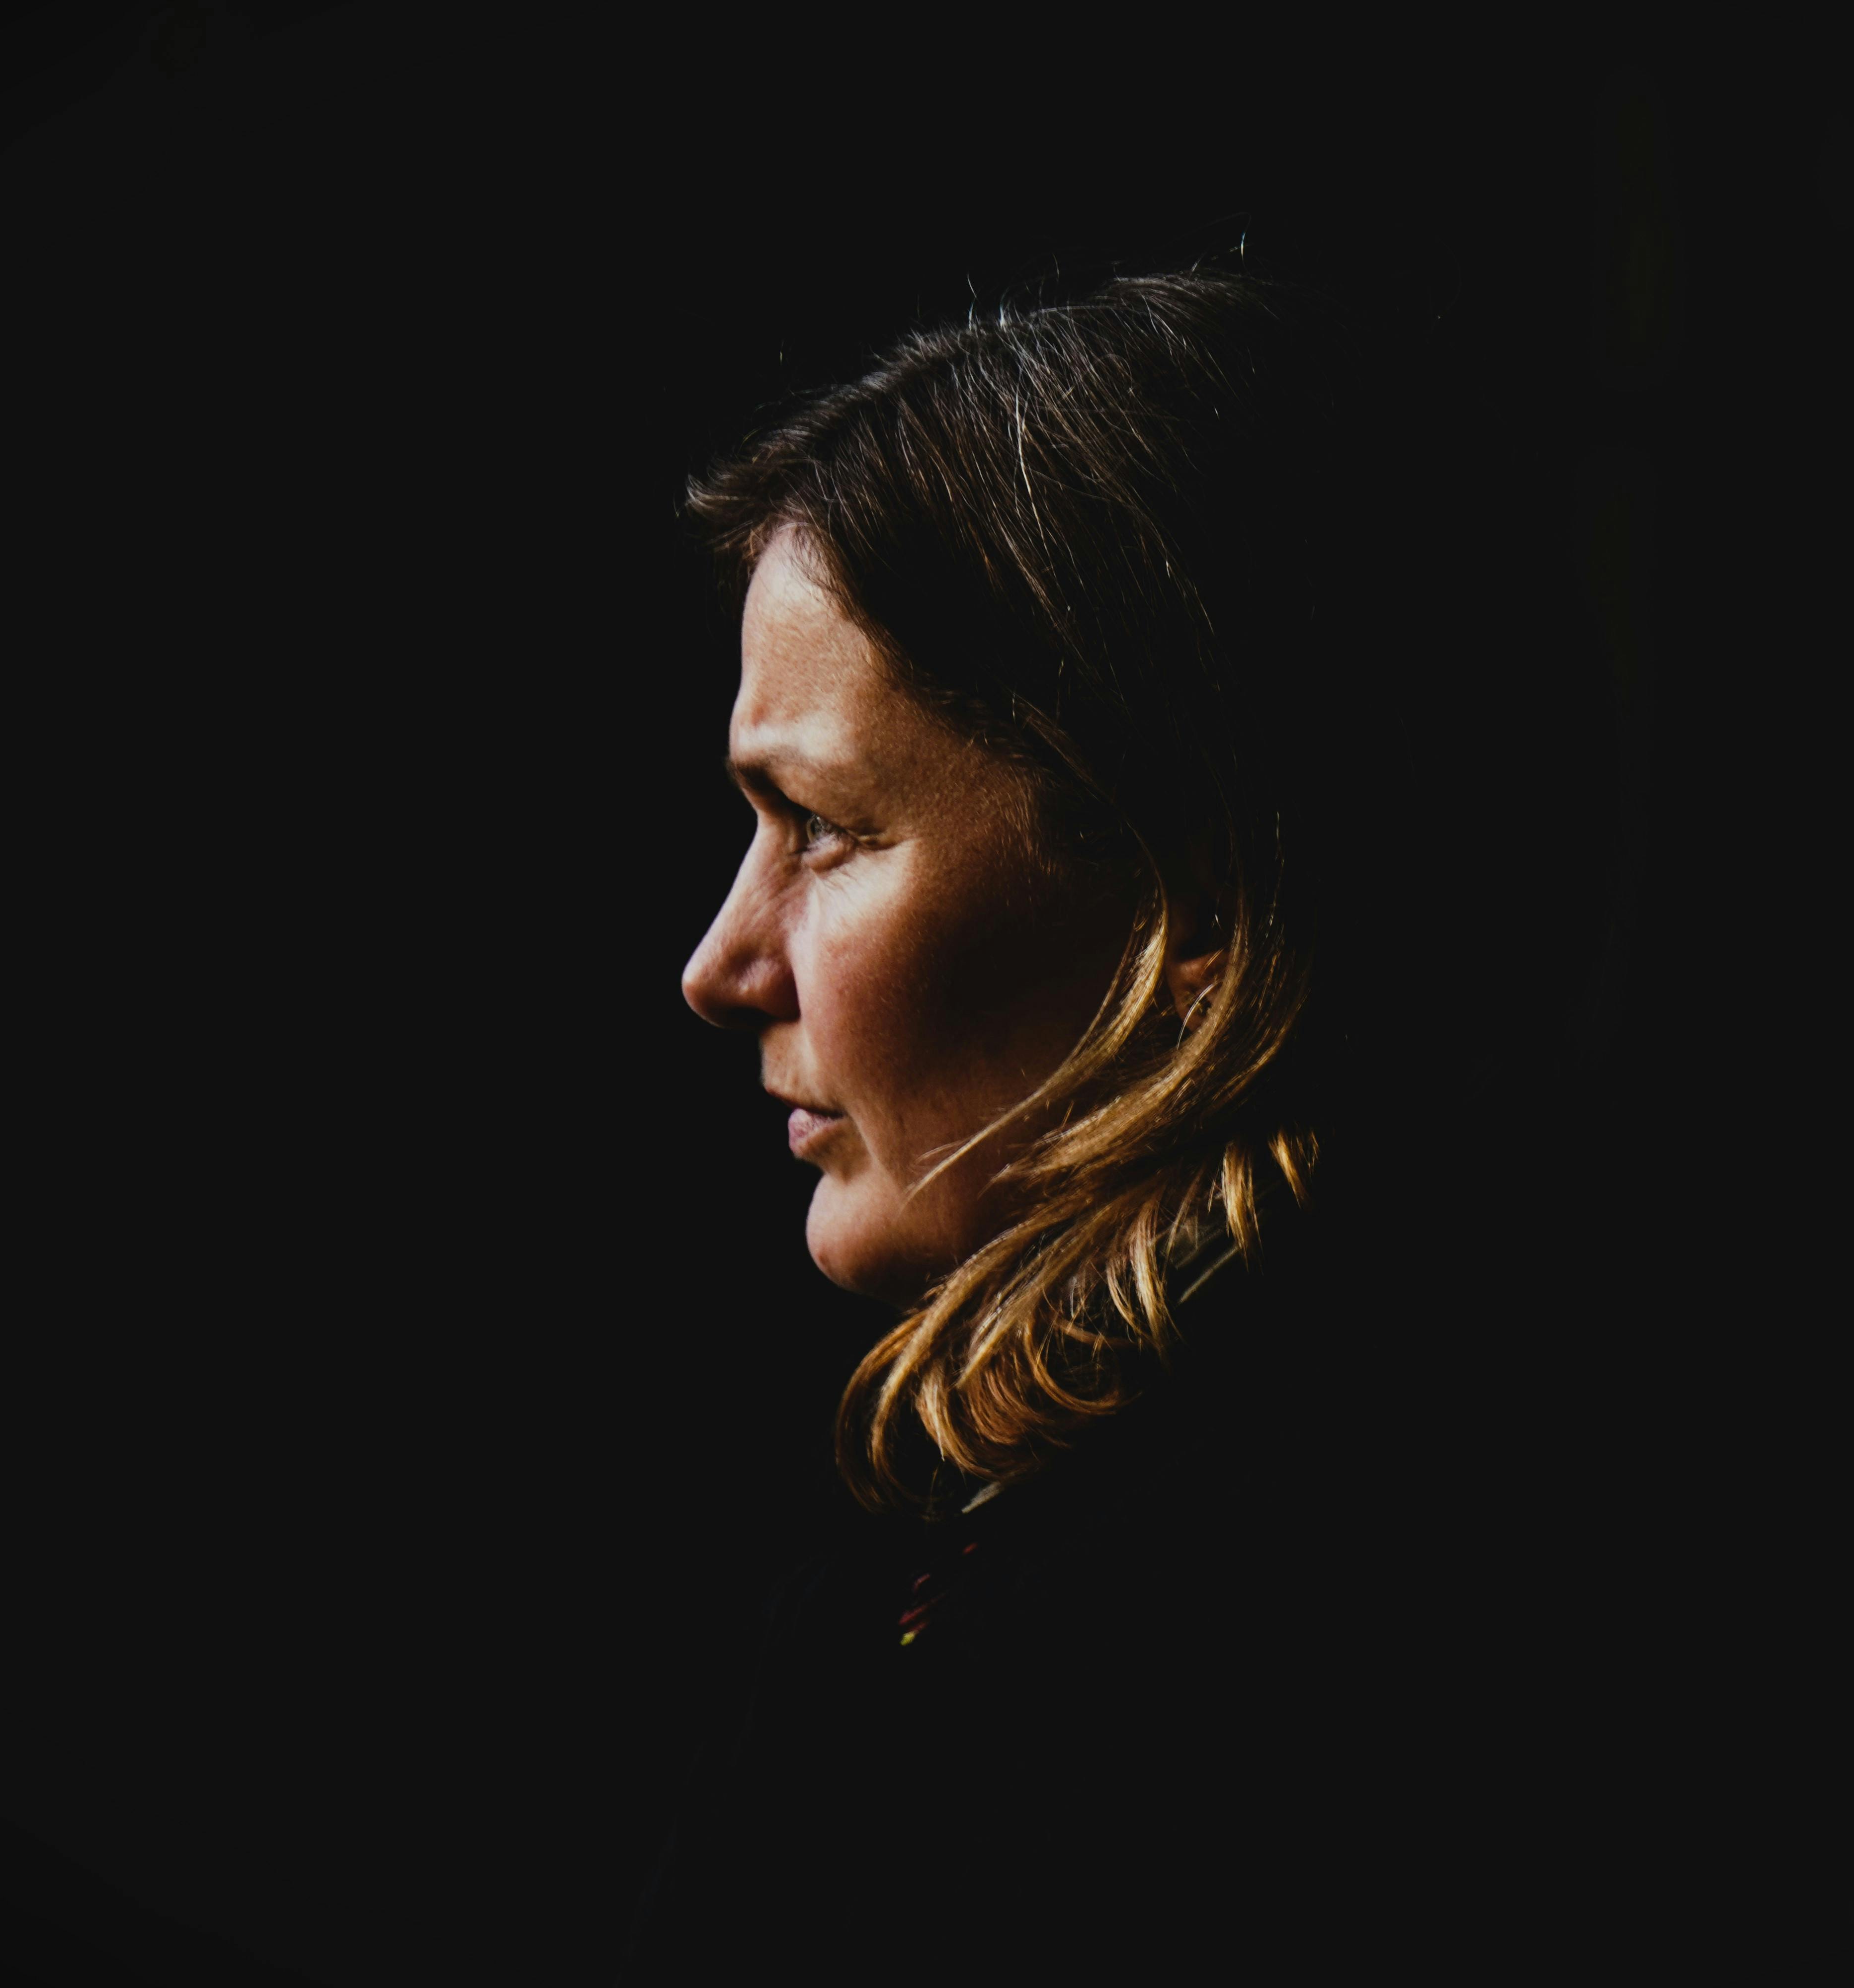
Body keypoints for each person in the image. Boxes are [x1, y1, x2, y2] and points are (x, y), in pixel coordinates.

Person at [607, 262, 1613, 1978]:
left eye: (824, 827)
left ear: (1187, 885)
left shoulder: (1242, 1661)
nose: (718, 965)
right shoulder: (973, 1567)